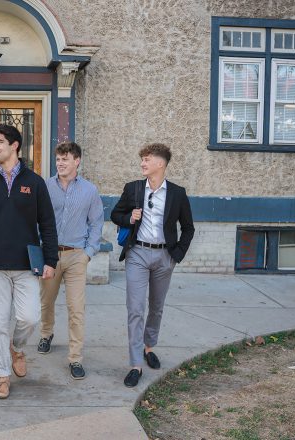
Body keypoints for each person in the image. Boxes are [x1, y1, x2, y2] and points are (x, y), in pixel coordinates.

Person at [0, 123, 58, 399]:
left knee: (30, 318)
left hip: (26, 265)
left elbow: (48, 225)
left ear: (14, 145)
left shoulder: (35, 182)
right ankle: (2, 376)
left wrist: (51, 259)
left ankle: (17, 348)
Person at [110, 143, 194, 388]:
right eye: (142, 160)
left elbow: (188, 227)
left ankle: (149, 347)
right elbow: (116, 214)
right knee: (135, 309)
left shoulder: (177, 193)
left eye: (147, 160)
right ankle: (135, 363)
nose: (142, 164)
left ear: (160, 163)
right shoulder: (133, 188)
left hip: (164, 256)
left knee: (156, 307)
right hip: (137, 253)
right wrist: (129, 218)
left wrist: (176, 254)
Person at [37, 141, 104, 379]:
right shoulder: (45, 187)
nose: (60, 163)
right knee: (46, 302)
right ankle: (46, 334)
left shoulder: (89, 190)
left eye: (65, 159)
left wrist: (88, 252)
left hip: (77, 255)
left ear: (77, 161)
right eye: (58, 159)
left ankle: (75, 358)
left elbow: (96, 223)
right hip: (50, 255)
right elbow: (36, 218)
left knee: (76, 309)